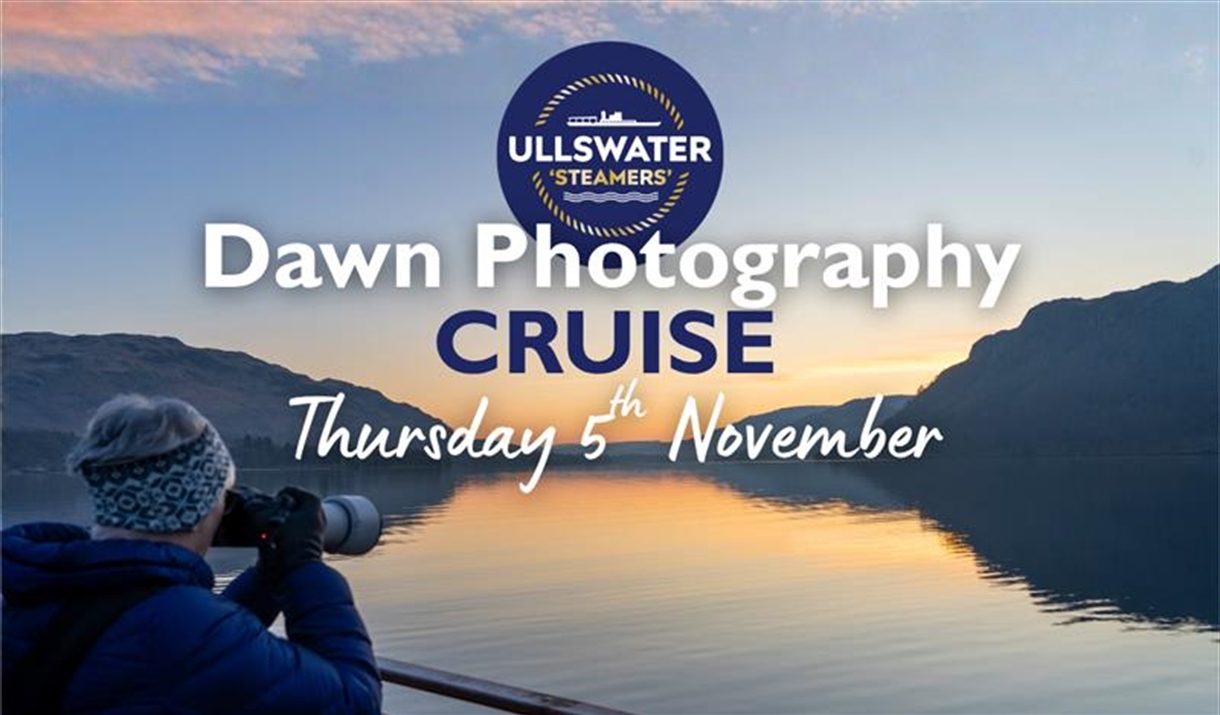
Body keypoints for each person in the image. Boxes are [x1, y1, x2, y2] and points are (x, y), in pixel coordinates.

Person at [1, 395, 382, 714]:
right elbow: (356, 702)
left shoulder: (49, 585)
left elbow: (191, 644)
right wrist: (303, 568)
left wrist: (270, 572)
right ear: (196, 507)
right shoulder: (181, 628)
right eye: (223, 495)